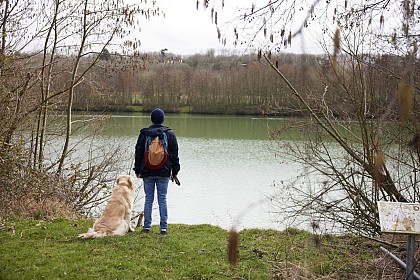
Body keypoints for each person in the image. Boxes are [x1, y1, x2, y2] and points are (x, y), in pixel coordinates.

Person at [133, 108, 180, 235]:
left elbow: (138, 152)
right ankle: (163, 228)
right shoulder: (170, 134)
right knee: (162, 199)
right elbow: (175, 154)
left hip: (147, 170)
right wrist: (175, 171)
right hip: (164, 170)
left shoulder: (144, 133)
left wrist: (137, 169)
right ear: (163, 119)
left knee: (148, 198)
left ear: (152, 119)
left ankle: (146, 227)